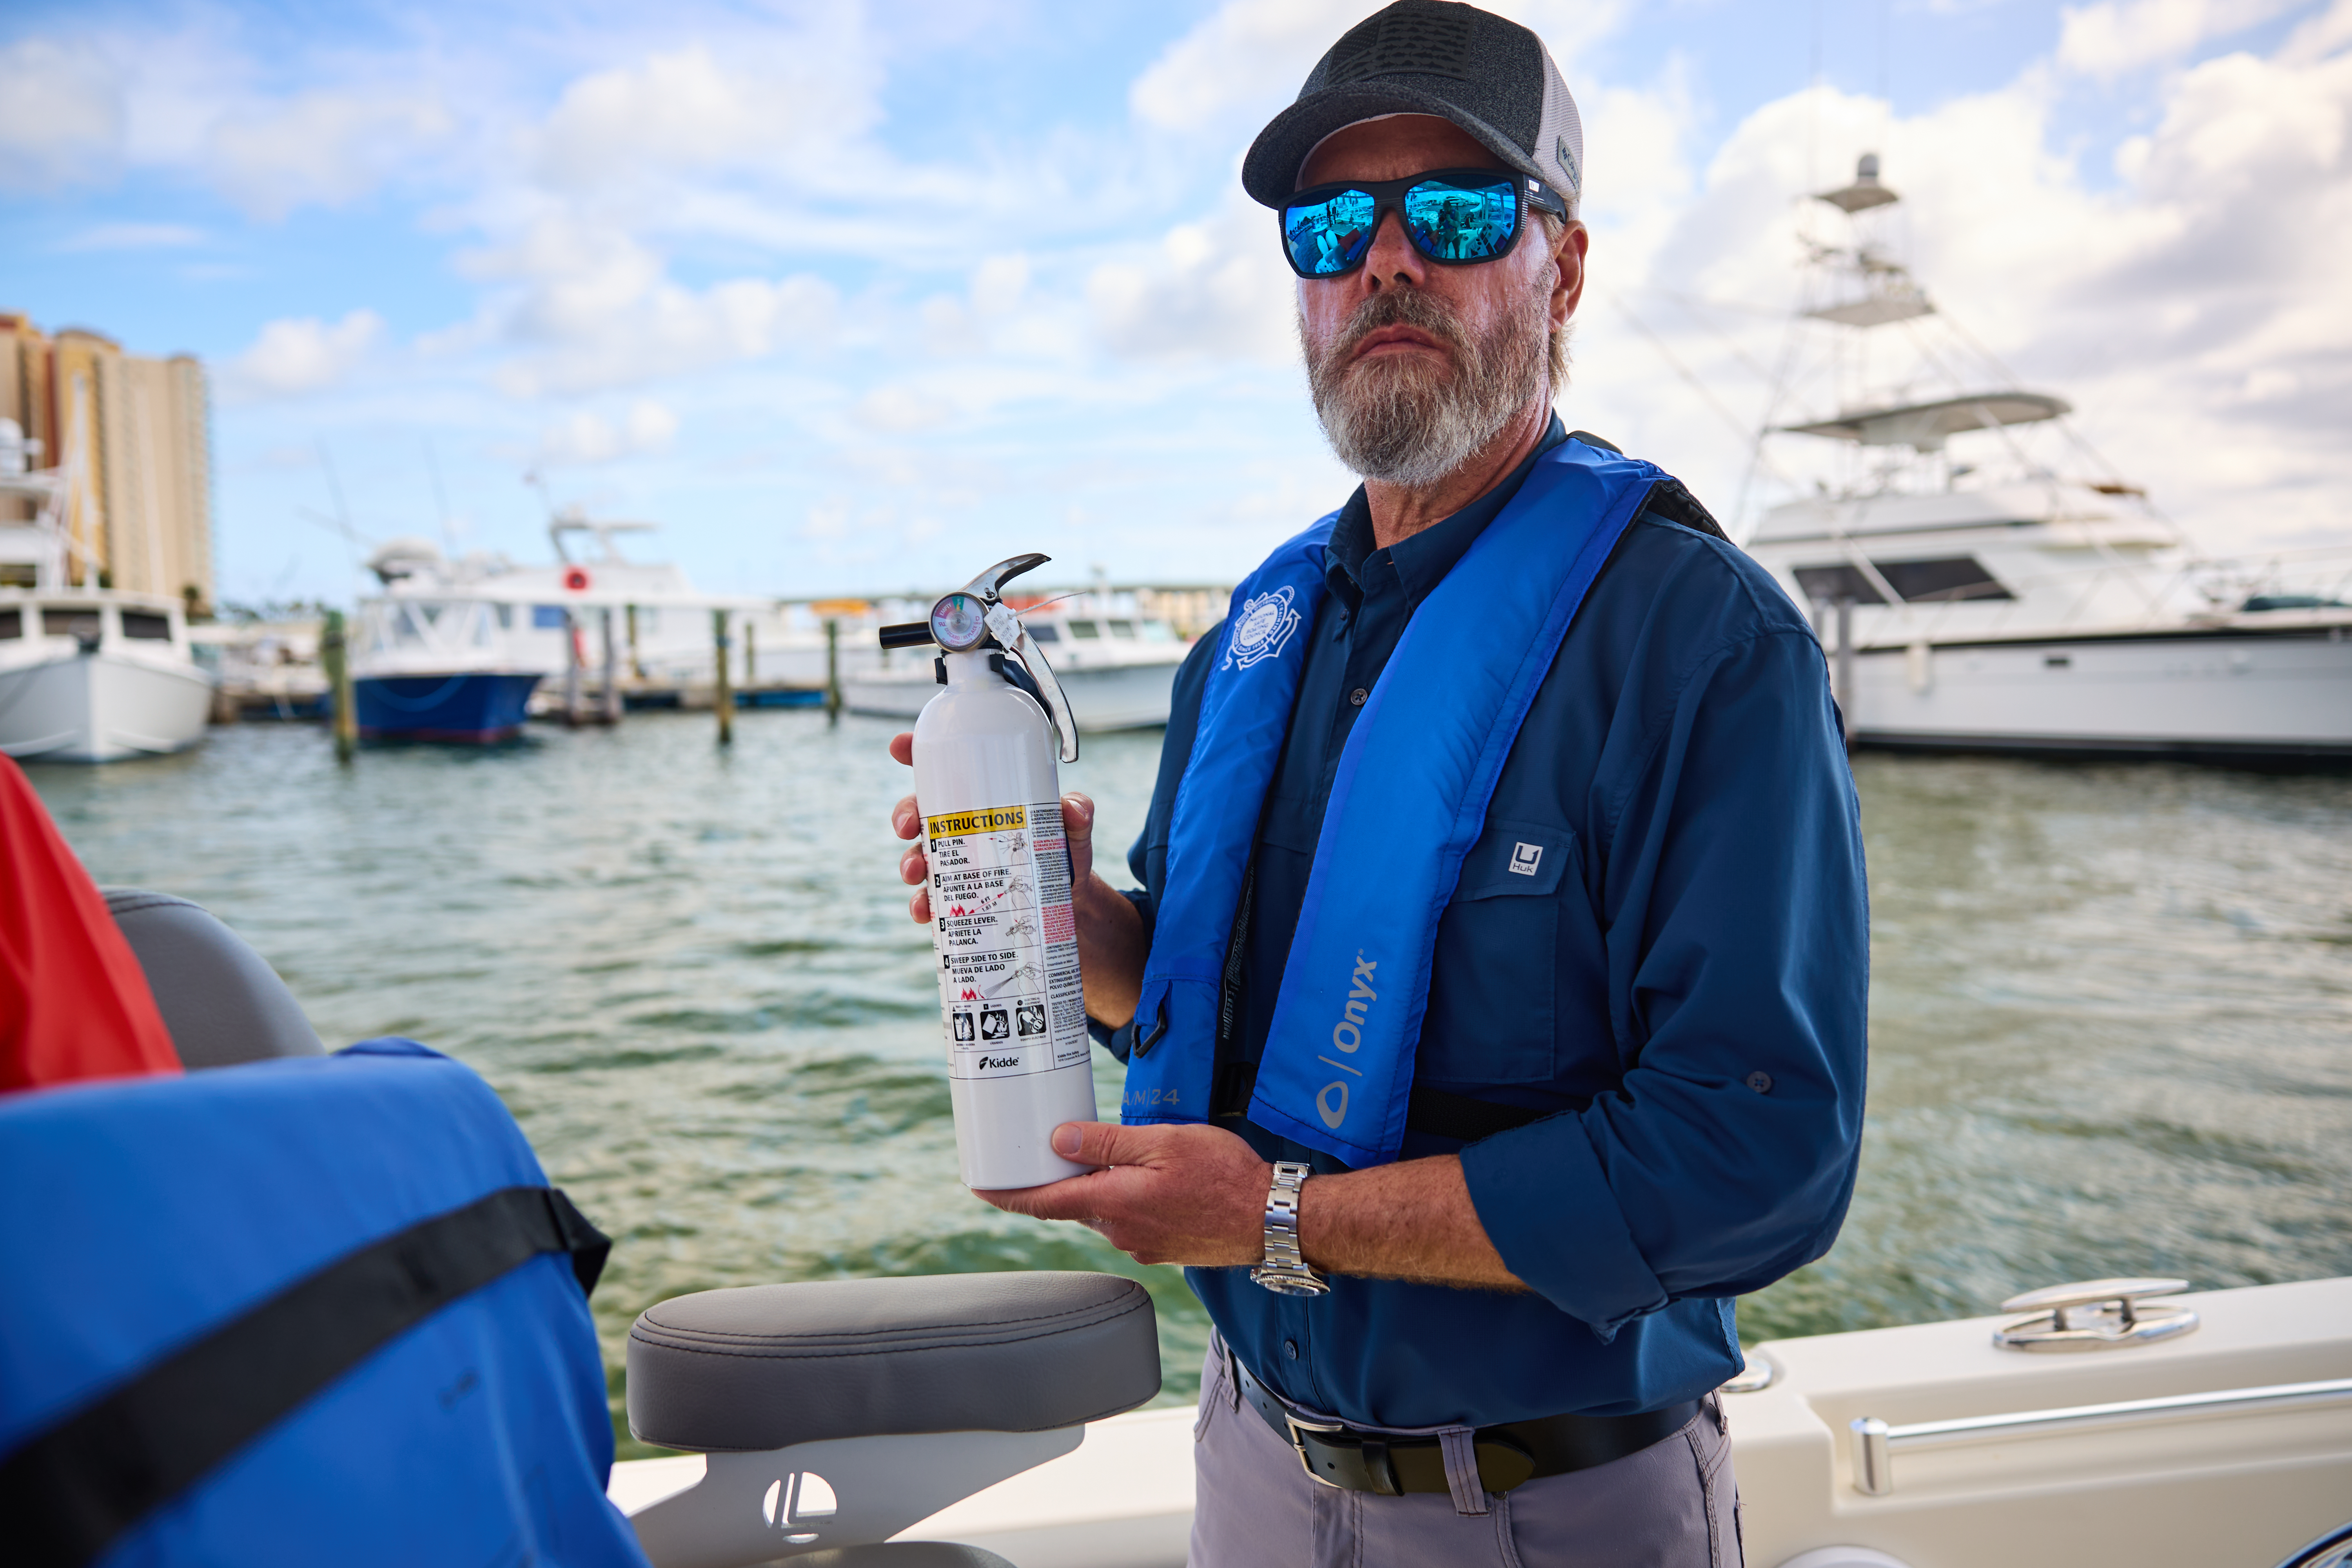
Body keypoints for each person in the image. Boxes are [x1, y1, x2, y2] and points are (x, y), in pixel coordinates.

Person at [889, 4, 1868, 1562]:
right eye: (1335, 222)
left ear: (1563, 265)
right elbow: (1199, 1010)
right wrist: (1073, 923)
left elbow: (1760, 1164)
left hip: (1556, 1503)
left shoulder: (1700, 642)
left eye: (1461, 210)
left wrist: (1277, 1220)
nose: (1387, 260)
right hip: (1253, 1466)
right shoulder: (1248, 646)